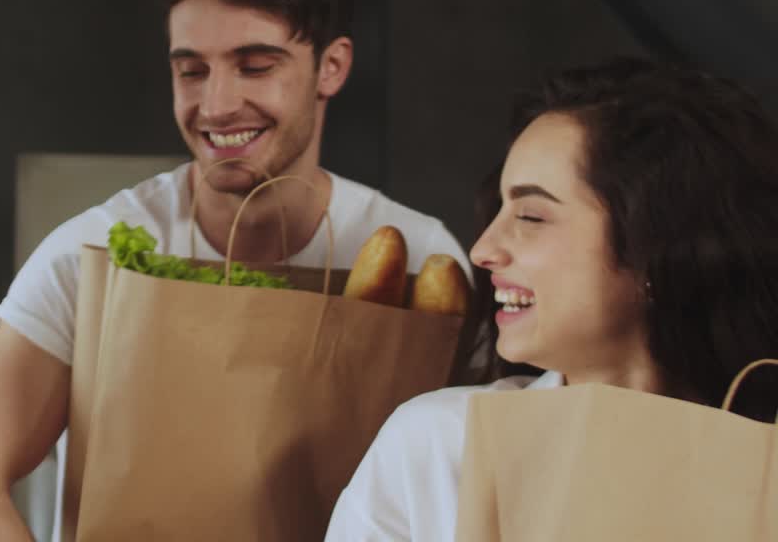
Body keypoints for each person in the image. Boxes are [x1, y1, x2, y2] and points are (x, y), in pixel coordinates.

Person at [0, 0, 469, 541]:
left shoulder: (425, 261)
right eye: (191, 70)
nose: (216, 104)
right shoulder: (93, 251)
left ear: (332, 68)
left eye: (255, 65)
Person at [324, 57, 778, 541]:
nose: (483, 250)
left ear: (659, 249)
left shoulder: (761, 464)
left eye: (532, 217)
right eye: (499, 209)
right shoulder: (438, 443)